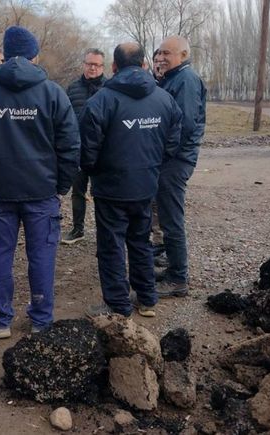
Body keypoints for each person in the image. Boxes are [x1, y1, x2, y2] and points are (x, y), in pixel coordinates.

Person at [0, 26, 80, 338]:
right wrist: (61, 186)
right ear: (34, 54)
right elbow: (69, 145)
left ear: (6, 53)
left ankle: (0, 320)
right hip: (41, 190)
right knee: (41, 256)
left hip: (0, 189)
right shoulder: (53, 93)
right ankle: (41, 319)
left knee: (1, 254)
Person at [80, 42, 182, 318]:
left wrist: (95, 172)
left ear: (114, 67)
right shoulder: (164, 99)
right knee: (140, 241)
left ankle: (117, 304)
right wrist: (153, 165)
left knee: (112, 245)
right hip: (145, 185)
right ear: (144, 65)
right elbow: (174, 140)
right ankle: (147, 298)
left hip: (111, 189)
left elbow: (87, 150)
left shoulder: (100, 101)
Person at [154, 35, 207, 297]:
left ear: (183, 55)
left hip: (175, 160)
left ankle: (178, 278)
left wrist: (165, 154)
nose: (161, 58)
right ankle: (173, 268)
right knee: (165, 216)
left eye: (167, 53)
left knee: (172, 219)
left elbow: (184, 125)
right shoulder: (172, 78)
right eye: (159, 53)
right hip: (171, 158)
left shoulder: (185, 80)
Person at [61, 48, 107, 245]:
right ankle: (78, 229)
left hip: (103, 152)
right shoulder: (72, 88)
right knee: (77, 191)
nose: (92, 68)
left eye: (96, 65)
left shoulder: (110, 89)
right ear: (84, 64)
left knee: (102, 193)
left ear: (102, 67)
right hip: (78, 149)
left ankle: (104, 231)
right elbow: (64, 118)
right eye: (89, 64)